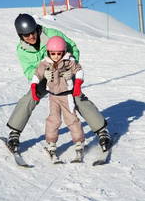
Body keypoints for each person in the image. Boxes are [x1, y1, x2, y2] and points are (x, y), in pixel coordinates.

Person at [7, 13, 111, 152]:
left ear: (36, 28)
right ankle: (14, 133)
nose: (31, 37)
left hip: (64, 73)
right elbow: (28, 70)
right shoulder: (22, 50)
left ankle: (102, 131)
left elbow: (72, 47)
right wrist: (42, 73)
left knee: (77, 97)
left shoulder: (52, 34)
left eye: (32, 33)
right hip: (46, 77)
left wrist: (71, 65)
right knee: (30, 97)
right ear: (20, 36)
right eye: (26, 35)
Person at [31, 36, 85, 162]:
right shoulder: (45, 63)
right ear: (49, 52)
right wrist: (34, 85)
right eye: (53, 53)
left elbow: (79, 70)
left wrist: (77, 82)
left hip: (66, 96)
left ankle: (79, 142)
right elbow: (37, 74)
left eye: (59, 53)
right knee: (53, 120)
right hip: (53, 97)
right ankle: (51, 143)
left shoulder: (69, 61)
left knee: (71, 119)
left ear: (64, 52)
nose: (56, 56)